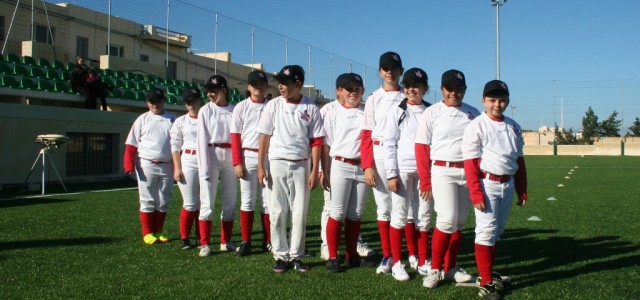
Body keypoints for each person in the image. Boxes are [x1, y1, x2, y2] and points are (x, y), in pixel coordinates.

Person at [462, 80, 527, 300]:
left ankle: (487, 272)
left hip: (507, 183)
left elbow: (519, 160)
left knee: (497, 230)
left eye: (502, 100)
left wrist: (522, 188)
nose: (497, 104)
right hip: (486, 183)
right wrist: (475, 192)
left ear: (508, 101)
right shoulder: (477, 125)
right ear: (483, 101)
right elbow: (470, 162)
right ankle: (486, 281)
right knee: (486, 230)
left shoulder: (513, 125)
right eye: (492, 100)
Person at [256, 65, 323, 273]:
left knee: (300, 212)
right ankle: (280, 254)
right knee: (277, 211)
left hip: (301, 164)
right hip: (277, 162)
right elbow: (264, 137)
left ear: (298, 84)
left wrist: (314, 169)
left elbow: (317, 141)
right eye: (279, 82)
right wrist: (260, 166)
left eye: (285, 83)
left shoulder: (311, 107)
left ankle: (296, 255)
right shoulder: (273, 105)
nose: (280, 86)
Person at [417, 69, 479, 288]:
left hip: (467, 172)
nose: (454, 93)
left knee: (460, 221)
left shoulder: (473, 113)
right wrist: (425, 180)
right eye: (449, 88)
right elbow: (422, 148)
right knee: (446, 219)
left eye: (459, 89)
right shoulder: (432, 112)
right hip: (442, 170)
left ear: (465, 90)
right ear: (442, 89)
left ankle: (450, 268)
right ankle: (434, 269)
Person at [361, 51, 417, 275]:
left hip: (403, 153)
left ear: (401, 71)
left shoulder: (410, 96)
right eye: (385, 68)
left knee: (407, 207)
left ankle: (410, 253)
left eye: (394, 68)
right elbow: (366, 134)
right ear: (380, 72)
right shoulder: (374, 98)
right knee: (384, 207)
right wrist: (368, 165)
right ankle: (388, 255)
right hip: (380, 153)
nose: (390, 71)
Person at [382, 68, 433, 281]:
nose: (412, 89)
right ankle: (397, 263)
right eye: (408, 85)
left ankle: (422, 261)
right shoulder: (397, 110)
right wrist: (392, 174)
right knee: (399, 215)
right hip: (402, 170)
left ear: (425, 88)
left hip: (425, 171)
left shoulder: (433, 111)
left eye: (417, 85)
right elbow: (389, 143)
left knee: (424, 216)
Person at [322, 73, 372, 273]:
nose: (353, 92)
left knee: (356, 214)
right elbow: (326, 145)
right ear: (340, 91)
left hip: (362, 167)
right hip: (340, 164)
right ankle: (333, 255)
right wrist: (323, 170)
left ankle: (352, 254)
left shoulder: (367, 112)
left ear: (362, 91)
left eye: (357, 89)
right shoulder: (333, 112)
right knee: (337, 212)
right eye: (348, 88)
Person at [123, 88, 176, 245]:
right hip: (147, 164)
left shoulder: (172, 119)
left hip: (167, 164)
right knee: (147, 199)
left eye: (158, 101)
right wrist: (128, 164)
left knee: (163, 199)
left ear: (163, 101)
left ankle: (158, 231)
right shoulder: (142, 119)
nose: (155, 105)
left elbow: (178, 144)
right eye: (152, 102)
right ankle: (147, 232)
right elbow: (131, 144)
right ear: (148, 103)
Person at [230, 70, 272, 256]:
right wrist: (237, 162)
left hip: (269, 157)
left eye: (261, 84)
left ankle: (268, 240)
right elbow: (235, 137)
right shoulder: (241, 107)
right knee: (248, 200)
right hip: (248, 156)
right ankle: (246, 240)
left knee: (268, 201)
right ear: (248, 86)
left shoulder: (272, 105)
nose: (258, 87)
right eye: (254, 84)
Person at [196, 75, 238, 257]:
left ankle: (225, 241)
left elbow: (238, 137)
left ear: (223, 90)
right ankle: (204, 243)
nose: (210, 94)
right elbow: (200, 140)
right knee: (207, 201)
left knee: (230, 200)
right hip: (211, 154)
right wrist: (203, 167)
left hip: (230, 156)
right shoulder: (205, 111)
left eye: (213, 90)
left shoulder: (234, 110)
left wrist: (238, 162)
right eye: (208, 91)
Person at [170, 87, 203, 250]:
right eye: (187, 101)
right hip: (188, 159)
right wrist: (177, 168)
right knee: (190, 203)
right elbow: (175, 145)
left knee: (203, 202)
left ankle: (201, 236)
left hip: (205, 159)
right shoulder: (180, 121)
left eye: (194, 100)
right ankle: (185, 238)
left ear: (200, 100)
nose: (191, 104)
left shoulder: (207, 117)